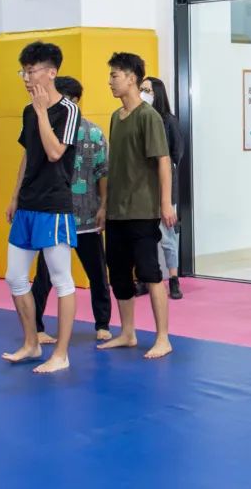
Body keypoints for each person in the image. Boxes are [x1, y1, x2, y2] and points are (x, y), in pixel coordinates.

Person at [3, 41, 79, 374]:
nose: (26, 77)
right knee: (15, 277)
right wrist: (15, 195)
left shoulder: (68, 111)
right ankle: (31, 341)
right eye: (23, 71)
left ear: (51, 72)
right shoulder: (27, 110)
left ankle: (61, 354)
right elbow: (28, 155)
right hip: (28, 205)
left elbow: (54, 152)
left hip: (54, 206)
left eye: (31, 71)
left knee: (62, 280)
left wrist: (42, 112)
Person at [99, 52, 176, 359]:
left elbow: (163, 161)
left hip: (142, 210)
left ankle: (163, 337)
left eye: (114, 76)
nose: (110, 81)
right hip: (116, 211)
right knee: (118, 273)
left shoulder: (148, 116)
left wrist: (165, 203)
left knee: (150, 272)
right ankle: (127, 332)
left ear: (131, 78)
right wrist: (105, 205)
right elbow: (114, 166)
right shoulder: (115, 118)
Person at [31, 76, 113, 343]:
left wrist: (104, 206)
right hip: (55, 216)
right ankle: (36, 327)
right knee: (44, 276)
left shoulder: (93, 133)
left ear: (74, 102)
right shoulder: (46, 130)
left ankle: (103, 324)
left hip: (87, 217)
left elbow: (103, 172)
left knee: (98, 273)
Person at [135, 76, 185, 300]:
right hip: (142, 187)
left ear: (158, 94)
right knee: (144, 236)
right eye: (142, 89)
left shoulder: (168, 121)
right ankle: (145, 278)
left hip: (164, 186)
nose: (143, 93)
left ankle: (173, 279)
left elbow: (177, 154)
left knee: (167, 235)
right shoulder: (138, 118)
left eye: (148, 90)